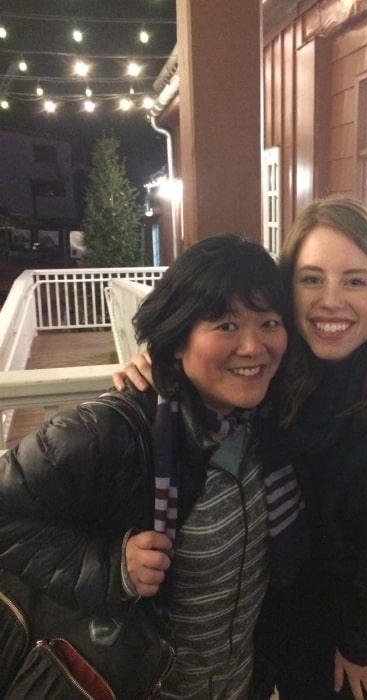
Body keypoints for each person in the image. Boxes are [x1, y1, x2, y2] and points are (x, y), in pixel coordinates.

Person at [114, 196, 367, 700]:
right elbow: (210, 341)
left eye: (355, 280)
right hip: (254, 573)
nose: (330, 300)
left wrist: (358, 638)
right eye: (311, 278)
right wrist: (155, 358)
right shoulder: (271, 352)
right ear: (288, 289)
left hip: (345, 585)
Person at [0, 233, 308, 700]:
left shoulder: (272, 421)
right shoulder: (111, 433)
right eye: (226, 326)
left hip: (241, 682)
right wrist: (109, 566)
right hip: (140, 684)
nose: (253, 346)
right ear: (177, 338)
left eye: (269, 322)